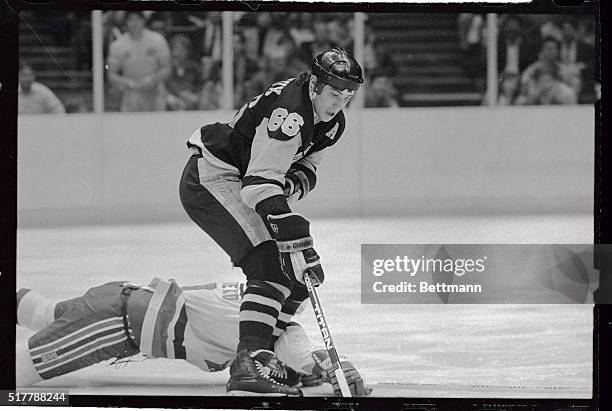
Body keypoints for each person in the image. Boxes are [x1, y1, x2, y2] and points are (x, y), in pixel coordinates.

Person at [179, 48, 363, 396]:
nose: (340, 102)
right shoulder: (290, 113)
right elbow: (259, 184)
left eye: (348, 95)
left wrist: (289, 193)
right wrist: (289, 229)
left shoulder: (333, 122)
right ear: (314, 86)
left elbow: (306, 169)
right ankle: (248, 365)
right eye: (334, 92)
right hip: (212, 178)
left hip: (239, 180)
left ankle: (274, 357)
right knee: (269, 264)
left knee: (296, 277)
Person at [16, 278, 371, 397]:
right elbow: (297, 352)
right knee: (15, 378)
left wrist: (317, 366)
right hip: (111, 324)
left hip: (118, 298)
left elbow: (291, 355)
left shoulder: (248, 299)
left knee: (44, 313)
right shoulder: (270, 328)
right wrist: (329, 367)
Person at [106, 11, 171, 112]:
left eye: (137, 19)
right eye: (130, 19)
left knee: (157, 126)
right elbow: (111, 74)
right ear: (126, 22)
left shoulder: (158, 40)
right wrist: (128, 83)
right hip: (130, 93)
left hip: (155, 91)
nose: (134, 23)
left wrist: (153, 79)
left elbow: (166, 68)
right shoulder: (117, 45)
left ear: (144, 21)